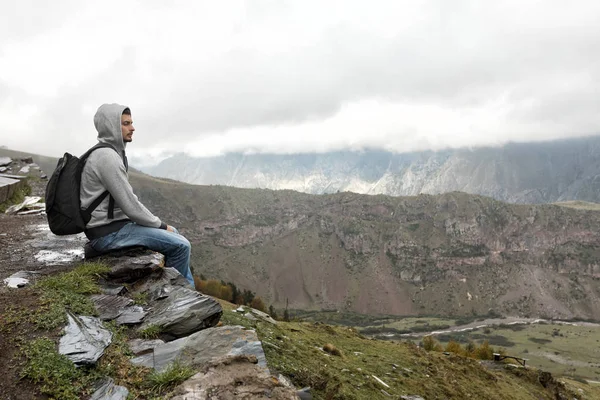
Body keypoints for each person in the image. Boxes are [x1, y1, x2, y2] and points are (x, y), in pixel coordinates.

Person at [80, 103, 194, 287]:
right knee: (181, 245)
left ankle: (181, 290)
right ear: (111, 126)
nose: (132, 128)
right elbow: (131, 206)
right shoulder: (107, 158)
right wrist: (162, 225)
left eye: (131, 122)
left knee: (177, 236)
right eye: (126, 123)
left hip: (113, 227)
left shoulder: (107, 153)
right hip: (108, 234)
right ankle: (184, 299)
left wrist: (162, 227)